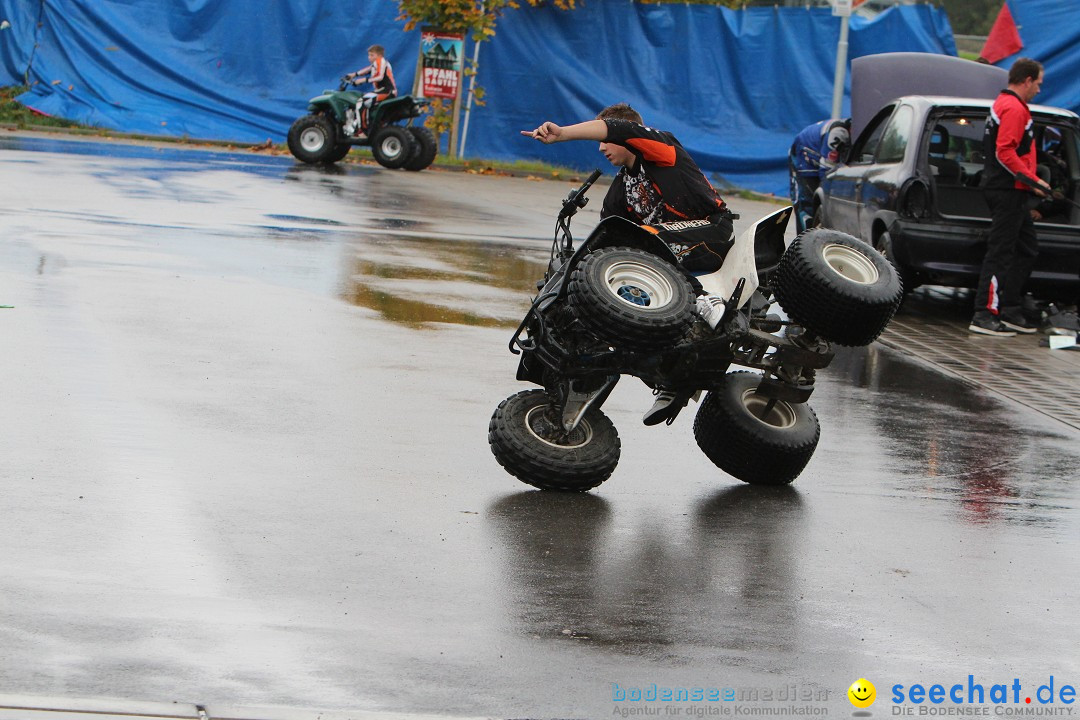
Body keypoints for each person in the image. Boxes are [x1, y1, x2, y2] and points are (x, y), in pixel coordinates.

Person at [521, 103, 736, 425]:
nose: (601, 148)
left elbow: (614, 128)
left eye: (604, 140)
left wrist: (563, 133)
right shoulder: (620, 190)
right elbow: (608, 239)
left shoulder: (660, 149)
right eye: (600, 141)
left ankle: (705, 301)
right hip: (671, 253)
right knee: (618, 258)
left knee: (646, 236)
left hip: (709, 230)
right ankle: (669, 375)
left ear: (626, 136)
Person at [970, 57, 1052, 337]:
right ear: (1027, 80)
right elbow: (1005, 152)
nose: (1039, 90)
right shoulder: (1015, 109)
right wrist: (1033, 180)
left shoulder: (1004, 104)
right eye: (1038, 84)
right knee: (1001, 252)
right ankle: (984, 313)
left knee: (1027, 248)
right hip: (1007, 191)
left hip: (1013, 191)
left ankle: (1011, 308)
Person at [788, 118, 851, 233]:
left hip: (818, 154)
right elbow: (826, 171)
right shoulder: (839, 133)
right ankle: (804, 244)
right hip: (804, 156)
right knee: (807, 204)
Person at [344, 45, 397, 139]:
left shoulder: (381, 62)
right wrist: (353, 75)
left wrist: (362, 80)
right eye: (369, 55)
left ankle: (362, 131)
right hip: (382, 90)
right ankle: (364, 125)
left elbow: (379, 77)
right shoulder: (376, 63)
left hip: (386, 91)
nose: (369, 57)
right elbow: (367, 70)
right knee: (365, 100)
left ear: (379, 55)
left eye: (372, 55)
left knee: (361, 102)